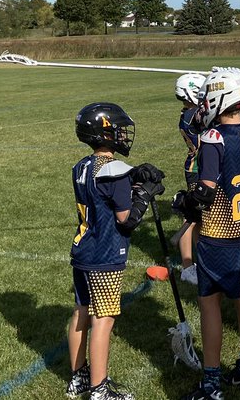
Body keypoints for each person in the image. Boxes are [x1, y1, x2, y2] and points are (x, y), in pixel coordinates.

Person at [176, 70, 240, 400]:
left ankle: (212, 382)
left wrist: (184, 200)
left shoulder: (214, 138)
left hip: (220, 233)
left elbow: (205, 192)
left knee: (210, 304)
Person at [67, 102, 165, 400]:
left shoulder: (82, 166)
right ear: (105, 133)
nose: (122, 134)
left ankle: (78, 378)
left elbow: (104, 190)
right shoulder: (114, 172)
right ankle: (99, 390)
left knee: (81, 312)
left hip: (83, 250)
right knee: (104, 319)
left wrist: (134, 175)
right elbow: (127, 219)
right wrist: (144, 194)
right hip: (105, 255)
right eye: (117, 129)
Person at [175, 72, 208, 286]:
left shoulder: (189, 112)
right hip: (197, 168)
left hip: (199, 165)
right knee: (193, 217)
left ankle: (201, 260)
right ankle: (187, 267)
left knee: (200, 219)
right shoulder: (191, 115)